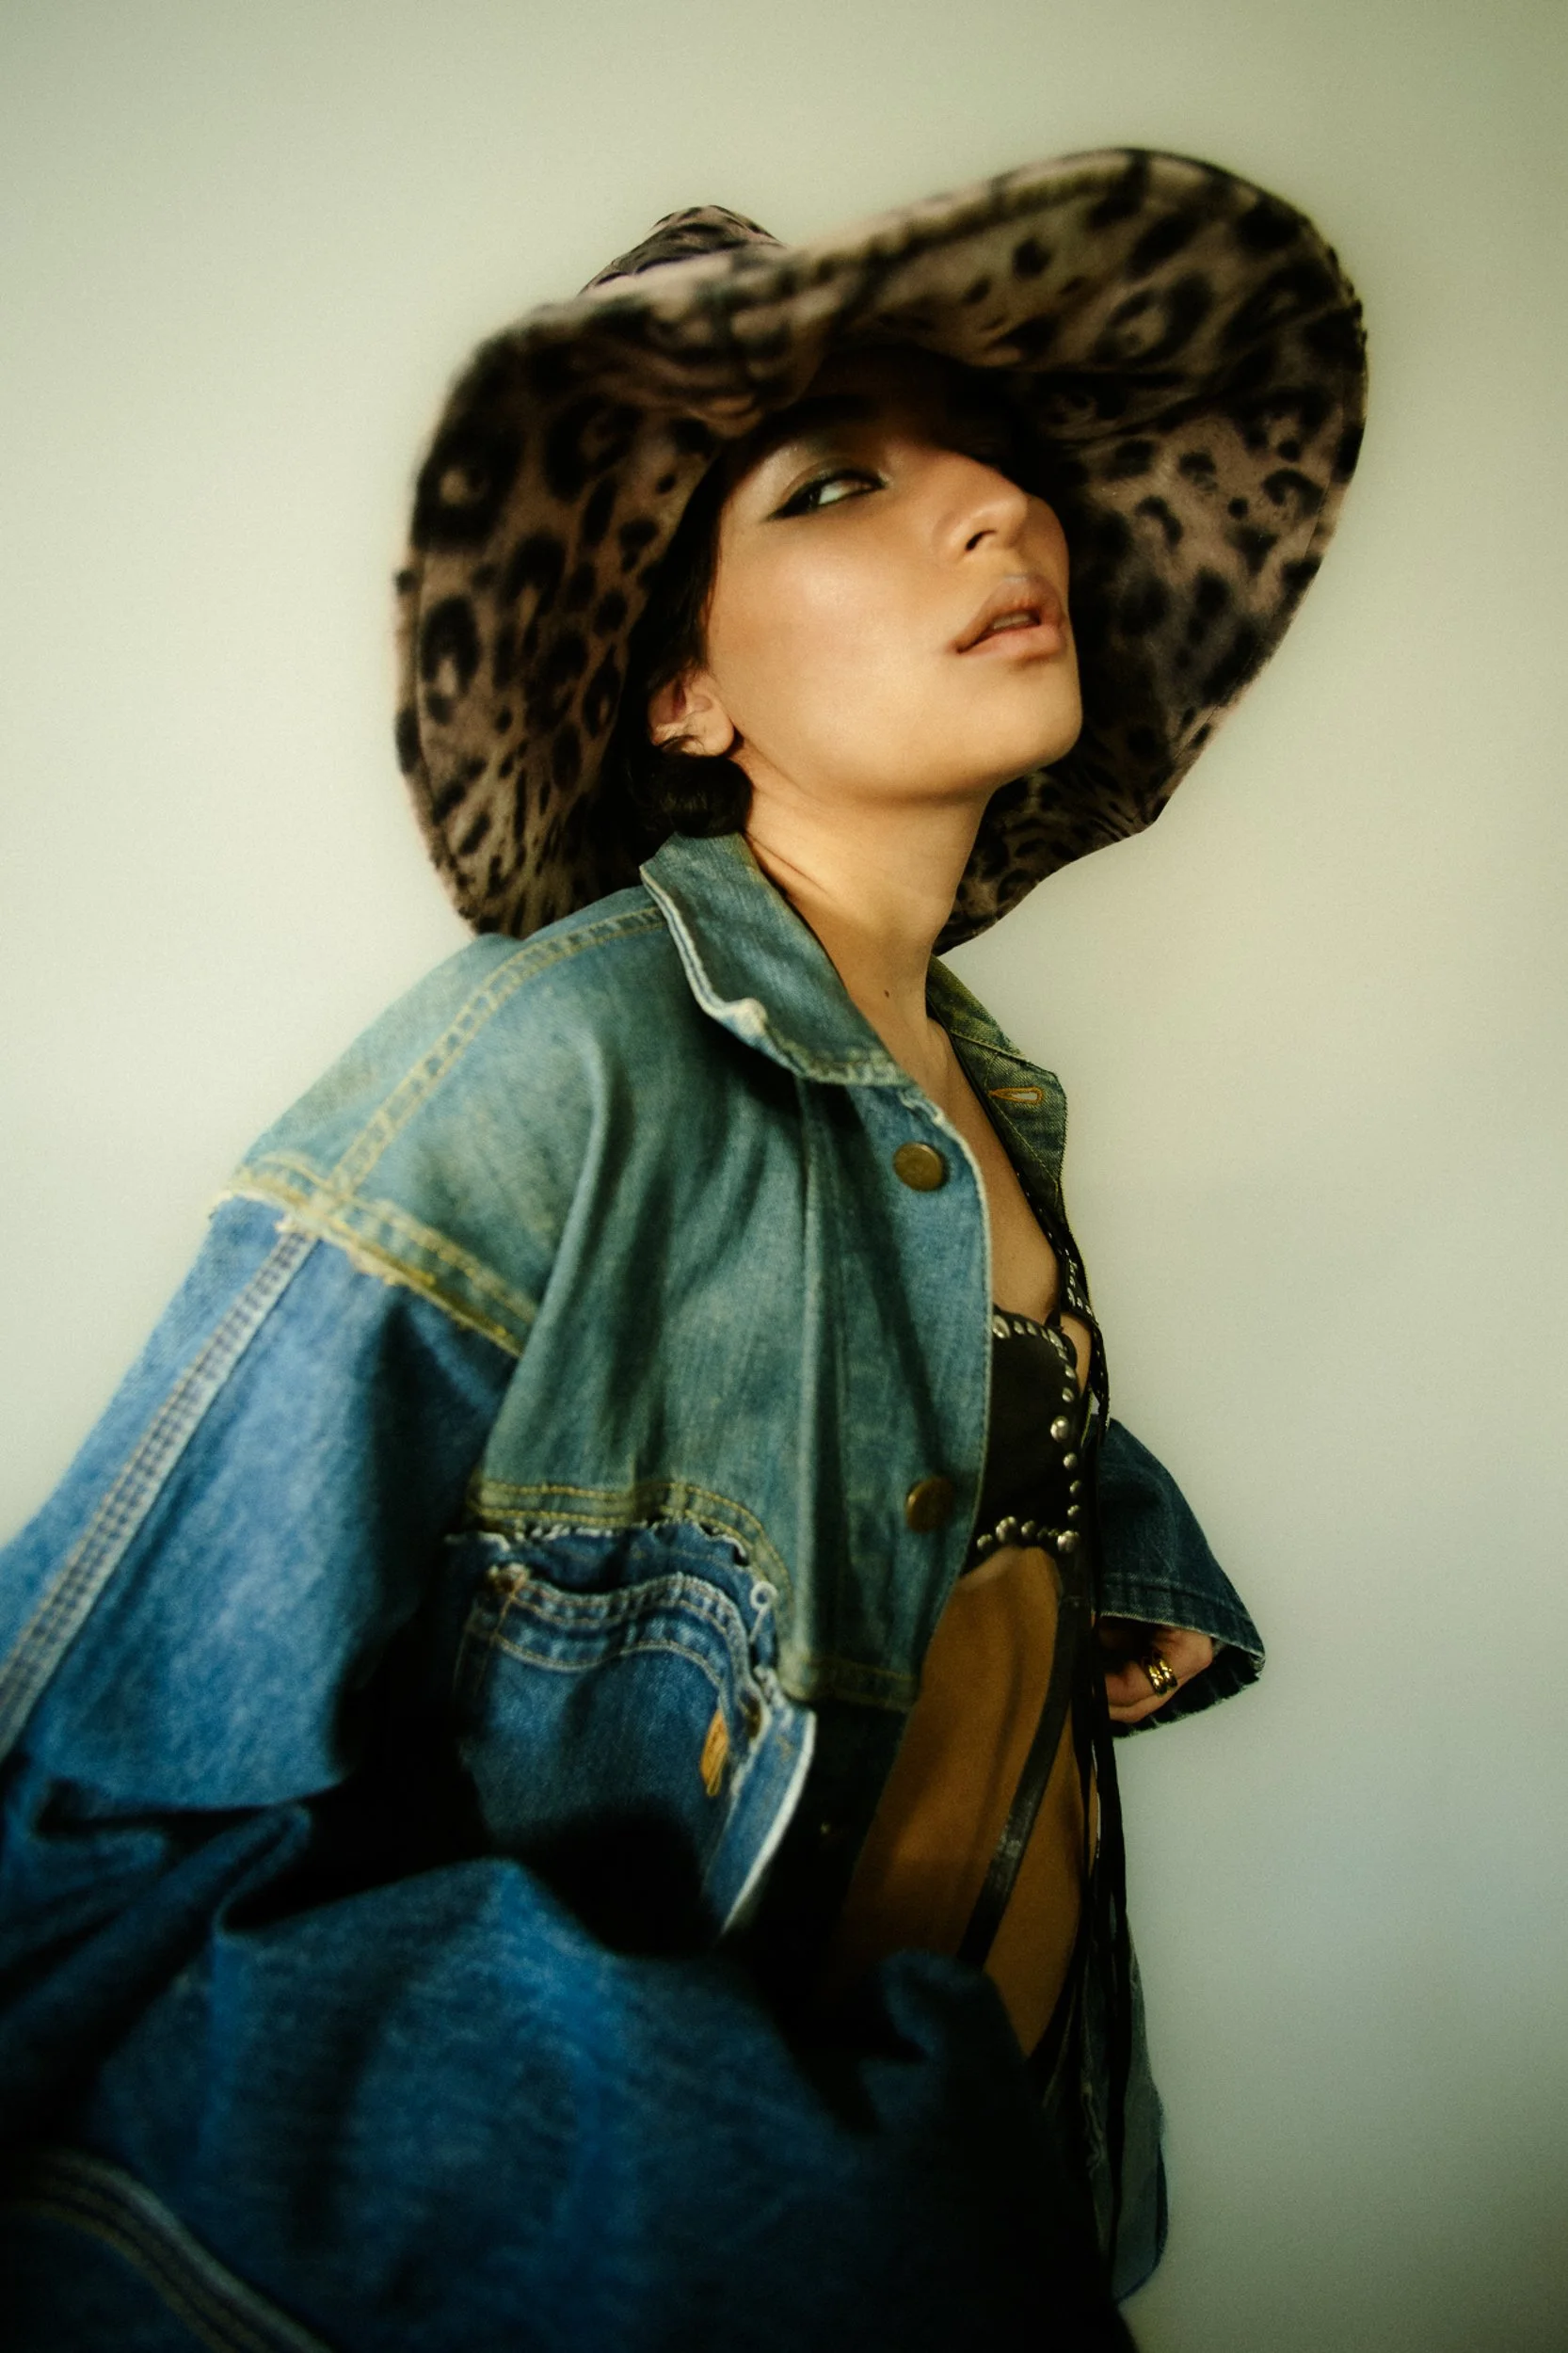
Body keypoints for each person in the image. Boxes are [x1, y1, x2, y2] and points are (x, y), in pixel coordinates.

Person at [0, 147, 1365, 2349]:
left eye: (999, 468)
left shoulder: (986, 1111)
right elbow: (88, 1807)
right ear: (677, 694)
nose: (997, 514)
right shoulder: (549, 1062)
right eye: (832, 485)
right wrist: (731, 2165)